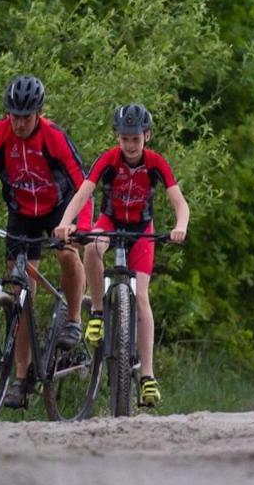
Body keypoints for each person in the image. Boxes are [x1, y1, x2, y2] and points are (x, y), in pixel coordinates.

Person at [0, 73, 92, 409]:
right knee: (19, 293)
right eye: (14, 116)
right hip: (20, 211)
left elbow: (85, 183)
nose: (19, 123)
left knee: (65, 254)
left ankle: (75, 318)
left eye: (25, 116)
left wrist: (79, 225)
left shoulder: (53, 137)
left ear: (38, 112)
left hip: (58, 208)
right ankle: (21, 378)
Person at [54, 103, 189, 408]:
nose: (130, 145)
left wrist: (180, 226)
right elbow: (83, 193)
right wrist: (65, 222)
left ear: (147, 136)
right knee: (90, 247)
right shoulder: (108, 160)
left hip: (142, 230)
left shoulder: (156, 163)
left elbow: (179, 203)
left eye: (135, 139)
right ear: (118, 137)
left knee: (141, 298)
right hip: (110, 222)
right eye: (124, 138)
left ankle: (148, 377)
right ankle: (99, 312)